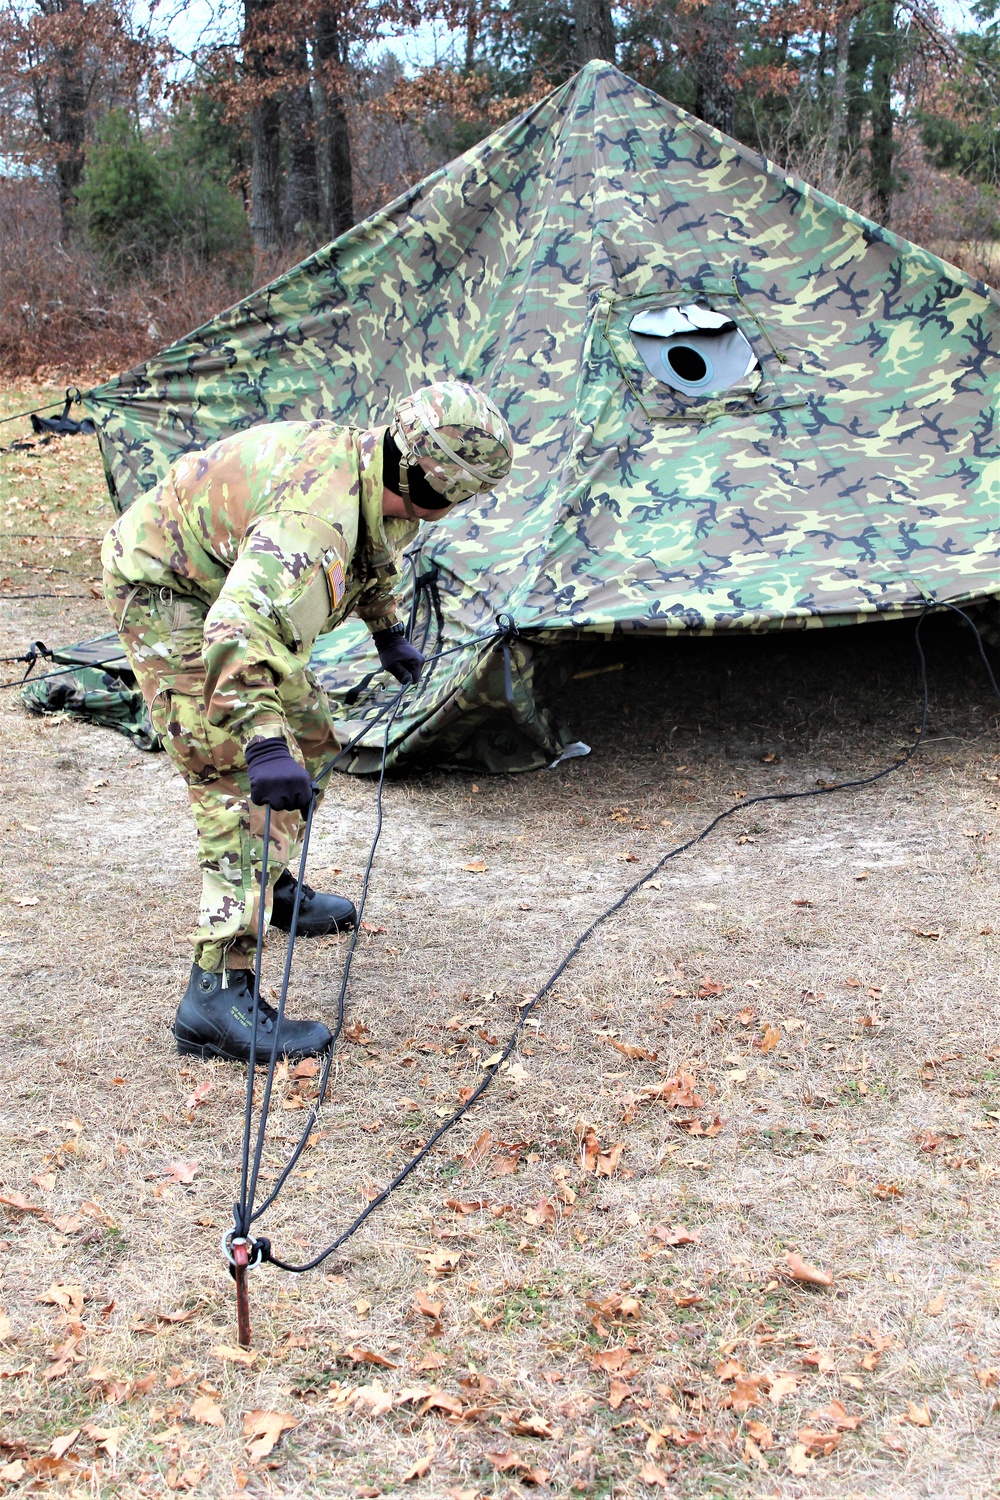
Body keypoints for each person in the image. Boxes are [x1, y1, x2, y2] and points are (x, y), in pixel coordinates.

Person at [101, 380, 513, 1063]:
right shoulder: (313, 525)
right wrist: (260, 745)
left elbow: (375, 549)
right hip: (170, 592)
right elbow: (236, 627)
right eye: (462, 494)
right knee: (239, 788)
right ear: (435, 481)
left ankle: (275, 887)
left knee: (316, 737)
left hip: (233, 587)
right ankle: (214, 995)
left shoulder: (374, 470)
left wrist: (386, 630)